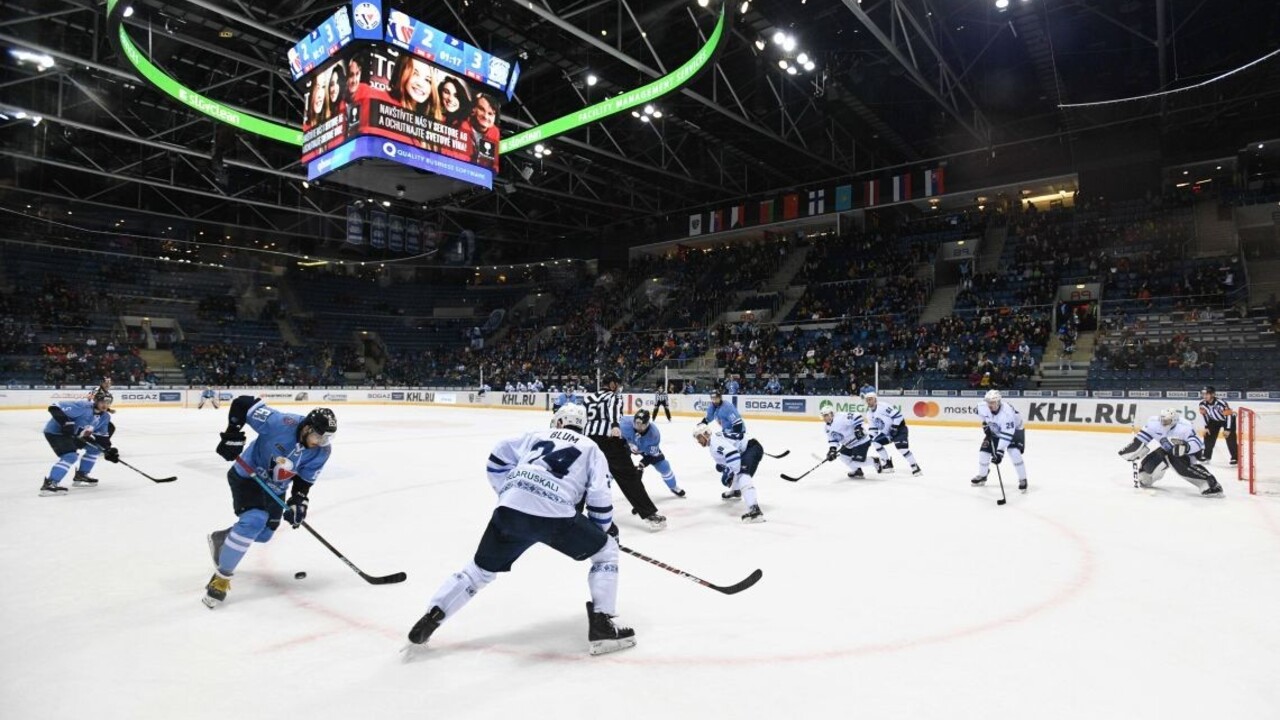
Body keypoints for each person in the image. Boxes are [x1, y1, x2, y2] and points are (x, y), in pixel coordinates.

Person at [406, 404, 635, 655]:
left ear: (558, 421)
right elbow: (600, 497)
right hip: (555, 516)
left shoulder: (535, 435)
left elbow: (497, 458)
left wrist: (509, 492)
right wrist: (603, 531)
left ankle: (432, 616)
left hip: (510, 510)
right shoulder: (592, 448)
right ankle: (602, 626)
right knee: (606, 552)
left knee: (478, 571)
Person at [204, 397, 337, 609]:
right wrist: (232, 434)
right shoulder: (279, 422)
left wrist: (298, 501)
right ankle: (221, 579)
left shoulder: (322, 451)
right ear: (307, 428)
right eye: (319, 437)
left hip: (276, 489)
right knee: (254, 520)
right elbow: (242, 403)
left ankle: (223, 539)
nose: (321, 442)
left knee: (264, 534)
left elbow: (304, 480)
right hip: (248, 476)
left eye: (326, 438)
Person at [585, 372, 666, 530]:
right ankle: (649, 514)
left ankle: (572, 512)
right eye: (618, 384)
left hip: (589, 441)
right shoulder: (614, 396)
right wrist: (615, 426)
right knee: (629, 477)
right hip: (609, 441)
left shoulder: (589, 397)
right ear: (612, 384)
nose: (619, 387)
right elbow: (614, 413)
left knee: (586, 477)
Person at [1118, 408, 1223, 496]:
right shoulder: (1153, 424)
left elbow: (1197, 443)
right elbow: (1141, 439)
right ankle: (1148, 475)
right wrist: (1132, 450)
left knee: (1177, 462)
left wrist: (1186, 447)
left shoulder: (1185, 427)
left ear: (1174, 420)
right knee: (1145, 475)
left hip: (1188, 454)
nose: (1163, 423)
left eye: (1167, 421)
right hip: (1167, 450)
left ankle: (1210, 483)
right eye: (1162, 420)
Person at [40, 389, 120, 496]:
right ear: (96, 401)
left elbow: (102, 437)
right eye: (102, 402)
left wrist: (108, 450)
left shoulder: (105, 417)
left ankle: (81, 476)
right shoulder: (83, 406)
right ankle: (50, 484)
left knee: (95, 449)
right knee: (70, 456)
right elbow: (54, 407)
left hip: (76, 435)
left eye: (108, 402)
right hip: (56, 433)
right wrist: (65, 422)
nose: (105, 405)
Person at [692, 422, 765, 523]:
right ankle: (736, 490)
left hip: (751, 448)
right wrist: (727, 470)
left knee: (742, 475)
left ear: (706, 434)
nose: (698, 441)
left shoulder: (715, 443)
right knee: (733, 473)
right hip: (748, 448)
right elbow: (728, 457)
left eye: (699, 437)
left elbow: (733, 455)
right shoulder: (714, 441)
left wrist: (730, 473)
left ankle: (755, 510)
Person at [970, 389, 1028, 491]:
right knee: (984, 452)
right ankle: (983, 475)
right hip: (996, 428)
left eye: (992, 402)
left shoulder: (1007, 413)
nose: (990, 405)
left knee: (1014, 452)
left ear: (998, 402)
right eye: (988, 402)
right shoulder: (982, 407)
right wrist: (985, 425)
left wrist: (999, 452)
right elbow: (980, 414)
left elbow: (1007, 435)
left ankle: (1023, 479)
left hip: (1014, 430)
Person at [621, 409, 684, 498]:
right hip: (626, 444)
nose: (638, 428)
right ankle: (605, 483)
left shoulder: (654, 435)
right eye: (636, 424)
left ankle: (673, 486)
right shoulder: (624, 423)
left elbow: (652, 456)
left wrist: (641, 465)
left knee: (664, 466)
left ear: (647, 424)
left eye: (642, 426)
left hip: (645, 449)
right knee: (614, 463)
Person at [861, 386, 922, 476]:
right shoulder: (869, 414)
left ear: (875, 399)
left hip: (899, 429)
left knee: (901, 448)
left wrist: (894, 427)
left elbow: (899, 416)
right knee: (876, 442)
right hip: (887, 433)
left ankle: (915, 466)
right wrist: (870, 437)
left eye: (870, 399)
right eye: (867, 400)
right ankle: (887, 464)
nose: (868, 401)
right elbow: (873, 429)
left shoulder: (883, 406)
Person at [818, 399, 874, 479]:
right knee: (843, 456)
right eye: (823, 416)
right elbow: (833, 440)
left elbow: (857, 416)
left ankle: (874, 461)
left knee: (856, 461)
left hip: (861, 441)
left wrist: (858, 428)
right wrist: (832, 450)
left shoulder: (841, 417)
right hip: (849, 444)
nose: (824, 418)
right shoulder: (827, 428)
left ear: (831, 413)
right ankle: (857, 471)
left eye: (826, 415)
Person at [1198, 386, 1238, 465]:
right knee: (1208, 435)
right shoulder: (1202, 404)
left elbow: (1229, 416)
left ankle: (1235, 457)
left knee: (1230, 438)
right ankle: (1206, 456)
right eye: (1203, 394)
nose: (1205, 396)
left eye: (1207, 394)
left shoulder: (1221, 403)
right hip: (1214, 420)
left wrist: (1228, 429)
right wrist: (1206, 427)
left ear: (1212, 394)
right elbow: (1204, 415)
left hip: (1227, 420)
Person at [460, 93, 501, 170]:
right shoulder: (462, 125)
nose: (485, 116)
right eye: (482, 109)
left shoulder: (495, 132)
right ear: (474, 109)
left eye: (490, 113)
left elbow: (494, 164)